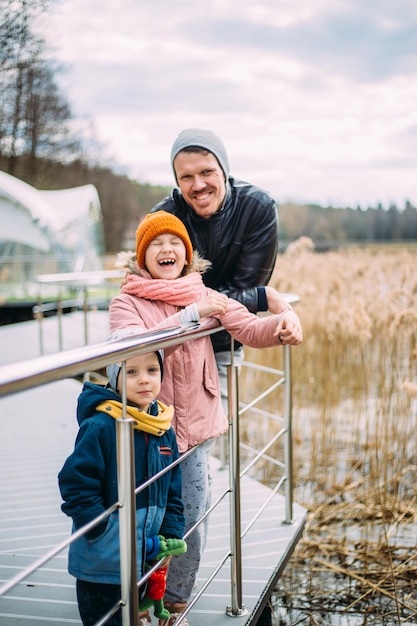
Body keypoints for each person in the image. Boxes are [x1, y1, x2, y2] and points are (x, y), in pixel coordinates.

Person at [109, 211, 303, 625]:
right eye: (156, 243)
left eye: (175, 242)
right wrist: (191, 314)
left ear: (187, 254)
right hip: (147, 430)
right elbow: (131, 345)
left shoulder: (205, 293)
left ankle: (176, 599)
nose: (167, 249)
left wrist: (282, 324)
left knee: (191, 517)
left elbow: (250, 329)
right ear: (143, 256)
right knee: (146, 517)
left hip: (196, 426)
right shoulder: (128, 300)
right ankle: (140, 598)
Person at [151, 127, 303, 402]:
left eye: (207, 172)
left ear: (224, 170)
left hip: (224, 342)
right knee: (162, 438)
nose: (197, 185)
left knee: (210, 432)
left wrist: (265, 300)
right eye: (186, 177)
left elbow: (246, 290)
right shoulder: (163, 218)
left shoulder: (257, 208)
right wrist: (261, 298)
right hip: (172, 345)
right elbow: (158, 300)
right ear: (177, 181)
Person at [58, 342, 186, 626]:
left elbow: (174, 490)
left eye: (152, 370)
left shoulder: (162, 428)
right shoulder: (100, 427)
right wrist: (103, 532)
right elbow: (75, 485)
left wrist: (169, 534)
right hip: (101, 561)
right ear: (115, 377)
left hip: (144, 558)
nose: (144, 379)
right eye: (132, 372)